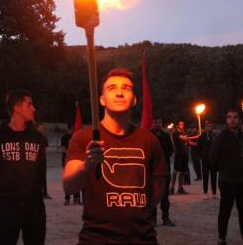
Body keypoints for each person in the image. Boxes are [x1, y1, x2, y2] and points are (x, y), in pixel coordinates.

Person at [63, 68, 166, 245]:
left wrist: (135, 213)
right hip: (96, 239)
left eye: (126, 88)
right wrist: (86, 165)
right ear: (102, 100)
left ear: (134, 100)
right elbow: (69, 187)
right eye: (112, 88)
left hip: (143, 239)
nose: (119, 93)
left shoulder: (149, 140)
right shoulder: (83, 138)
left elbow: (157, 190)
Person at [0, 90, 47, 245]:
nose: (34, 109)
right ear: (17, 108)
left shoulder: (38, 138)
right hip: (7, 205)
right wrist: (5, 187)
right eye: (29, 104)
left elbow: (41, 169)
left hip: (34, 204)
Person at [210, 109, 243, 245]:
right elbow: (212, 158)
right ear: (226, 120)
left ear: (239, 120)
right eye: (229, 117)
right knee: (225, 210)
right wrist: (223, 170)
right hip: (227, 180)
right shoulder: (221, 137)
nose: (232, 120)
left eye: (235, 117)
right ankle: (221, 238)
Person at [150, 119, 175, 226]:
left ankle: (166, 217)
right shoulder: (148, 136)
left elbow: (170, 150)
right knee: (152, 195)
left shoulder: (165, 136)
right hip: (151, 170)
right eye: (155, 122)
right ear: (152, 123)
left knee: (165, 196)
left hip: (164, 169)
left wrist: (162, 159)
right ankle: (152, 219)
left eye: (159, 122)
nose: (158, 124)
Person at [170, 121, 196, 194]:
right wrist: (197, 136)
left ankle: (180, 188)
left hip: (184, 154)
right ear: (177, 125)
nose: (182, 125)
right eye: (181, 124)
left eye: (183, 124)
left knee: (182, 172)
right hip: (178, 154)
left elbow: (188, 142)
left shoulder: (183, 132)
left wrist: (195, 144)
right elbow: (184, 139)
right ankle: (171, 188)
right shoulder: (175, 132)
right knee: (175, 171)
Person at [197, 120, 218, 200]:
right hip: (205, 159)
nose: (209, 128)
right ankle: (205, 193)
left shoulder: (214, 136)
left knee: (214, 177)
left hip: (213, 160)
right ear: (205, 127)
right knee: (205, 177)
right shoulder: (201, 137)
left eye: (211, 126)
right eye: (208, 126)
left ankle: (214, 193)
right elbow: (198, 148)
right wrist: (200, 156)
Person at [60, 128, 81, 205]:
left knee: (77, 179)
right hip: (67, 161)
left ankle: (76, 198)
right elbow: (63, 149)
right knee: (68, 180)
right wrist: (71, 151)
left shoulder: (77, 137)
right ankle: (67, 198)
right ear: (71, 127)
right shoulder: (65, 137)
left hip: (76, 161)